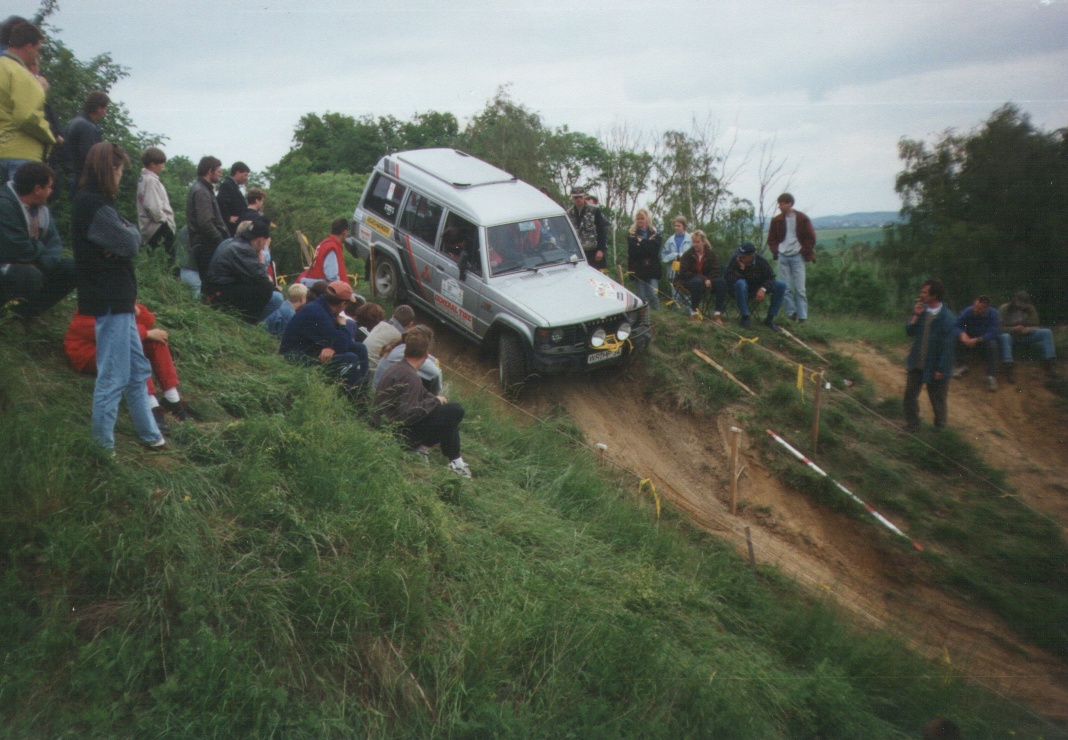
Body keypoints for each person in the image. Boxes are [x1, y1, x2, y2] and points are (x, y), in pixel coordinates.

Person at [72, 142, 165, 452]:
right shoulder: (92, 204)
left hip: (118, 299)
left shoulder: (100, 203)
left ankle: (151, 436)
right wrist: (124, 239)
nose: (122, 176)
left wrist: (126, 237)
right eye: (121, 170)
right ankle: (102, 450)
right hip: (109, 299)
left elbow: (129, 238)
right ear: (109, 169)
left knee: (138, 370)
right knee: (113, 377)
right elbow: (129, 243)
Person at [64, 302, 191, 431]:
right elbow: (107, 332)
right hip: (89, 354)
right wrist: (146, 334)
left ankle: (172, 398)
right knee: (129, 352)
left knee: (156, 342)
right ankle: (150, 406)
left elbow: (149, 320)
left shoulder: (121, 295)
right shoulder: (91, 304)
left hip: (116, 345)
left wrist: (136, 311)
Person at [374, 330, 471, 478]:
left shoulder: (398, 368)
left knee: (445, 410)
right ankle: (424, 450)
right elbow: (408, 414)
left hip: (384, 424)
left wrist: (434, 399)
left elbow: (418, 396)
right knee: (455, 410)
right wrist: (434, 402)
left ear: (405, 350)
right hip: (397, 435)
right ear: (426, 355)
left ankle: (455, 460)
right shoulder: (411, 377)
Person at [0, 161, 76, 318]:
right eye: (49, 186)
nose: (51, 191)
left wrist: (41, 262)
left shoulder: (42, 210)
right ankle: (10, 316)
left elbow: (54, 243)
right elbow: (16, 248)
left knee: (73, 268)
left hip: (32, 264)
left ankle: (28, 314)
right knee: (29, 275)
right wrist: (40, 249)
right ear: (37, 189)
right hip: (5, 267)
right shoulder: (4, 206)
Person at [279, 280, 368, 399]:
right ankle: (357, 402)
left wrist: (331, 347)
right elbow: (342, 344)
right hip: (296, 359)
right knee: (350, 358)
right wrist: (342, 325)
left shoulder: (321, 308)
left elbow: (336, 340)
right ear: (342, 304)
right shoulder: (317, 313)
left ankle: (362, 392)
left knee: (359, 348)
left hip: (309, 350)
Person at [0, 21, 55, 183]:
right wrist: (49, 136)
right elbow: (27, 116)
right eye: (37, 50)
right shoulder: (21, 74)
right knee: (24, 207)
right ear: (29, 46)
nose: (36, 56)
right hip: (23, 154)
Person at [204, 219, 285, 324]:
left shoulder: (236, 242)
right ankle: (248, 323)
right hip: (218, 294)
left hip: (218, 289)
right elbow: (262, 278)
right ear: (261, 240)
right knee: (266, 288)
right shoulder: (244, 249)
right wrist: (261, 261)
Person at [903, 279, 956, 433]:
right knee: (909, 396)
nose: (921, 295)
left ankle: (940, 431)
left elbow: (948, 347)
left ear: (934, 295)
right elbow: (909, 331)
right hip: (917, 363)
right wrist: (915, 315)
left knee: (938, 400)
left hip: (935, 367)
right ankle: (913, 425)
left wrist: (942, 369)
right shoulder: (922, 312)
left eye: (924, 292)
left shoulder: (947, 318)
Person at [766, 192, 816, 323]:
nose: (779, 207)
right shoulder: (776, 220)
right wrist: (776, 250)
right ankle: (791, 314)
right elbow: (771, 239)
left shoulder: (802, 218)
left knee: (800, 288)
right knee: (785, 287)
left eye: (782, 204)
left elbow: (811, 238)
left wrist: (803, 250)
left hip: (797, 256)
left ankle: (802, 317)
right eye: (779, 204)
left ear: (789, 204)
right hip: (783, 256)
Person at [723, 242, 787, 331]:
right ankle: (745, 317)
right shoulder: (735, 260)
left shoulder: (761, 261)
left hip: (756, 288)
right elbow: (727, 278)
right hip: (739, 290)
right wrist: (741, 270)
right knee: (741, 283)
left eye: (743, 256)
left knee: (781, 285)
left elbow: (771, 278)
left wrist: (763, 289)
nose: (740, 257)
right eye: (739, 254)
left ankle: (770, 319)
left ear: (751, 256)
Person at [999, 290, 1058, 381]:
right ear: (1015, 300)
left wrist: (1028, 330)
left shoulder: (1030, 309)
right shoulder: (1004, 308)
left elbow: (1036, 325)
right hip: (1011, 336)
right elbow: (999, 328)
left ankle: (1049, 364)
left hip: (1026, 335)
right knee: (1005, 337)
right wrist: (1013, 329)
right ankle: (1008, 366)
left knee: (1046, 332)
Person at [186, 155, 228, 279]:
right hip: (207, 245)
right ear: (210, 171)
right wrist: (221, 242)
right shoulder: (202, 191)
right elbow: (205, 223)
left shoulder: (204, 189)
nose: (220, 175)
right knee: (210, 284)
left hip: (207, 243)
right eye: (219, 171)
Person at [62, 90, 109, 198]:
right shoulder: (88, 127)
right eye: (105, 108)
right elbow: (90, 156)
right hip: (83, 179)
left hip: (70, 175)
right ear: (99, 108)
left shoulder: (73, 122)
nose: (105, 112)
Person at [372, 324, 443, 395]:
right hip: (379, 397)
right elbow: (436, 374)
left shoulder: (397, 347)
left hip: (377, 391)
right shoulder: (408, 352)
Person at [675, 229, 727, 323]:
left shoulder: (711, 254)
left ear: (703, 242)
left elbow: (716, 270)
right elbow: (684, 272)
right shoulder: (687, 255)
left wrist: (709, 280)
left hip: (707, 282)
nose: (695, 244)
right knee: (697, 282)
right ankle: (694, 313)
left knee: (721, 282)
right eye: (693, 242)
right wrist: (704, 279)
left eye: (697, 242)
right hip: (689, 281)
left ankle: (717, 314)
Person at [952, 295, 1001, 391]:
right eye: (975, 305)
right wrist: (962, 333)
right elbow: (956, 325)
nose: (975, 309)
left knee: (993, 345)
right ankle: (961, 365)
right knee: (955, 337)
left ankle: (992, 376)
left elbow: (994, 332)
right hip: (969, 338)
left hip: (983, 341)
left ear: (986, 308)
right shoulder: (969, 311)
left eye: (978, 308)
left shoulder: (994, 314)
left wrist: (978, 339)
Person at [136, 146, 176, 256]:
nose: (163, 166)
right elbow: (151, 205)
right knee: (170, 265)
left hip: (151, 228)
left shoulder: (144, 179)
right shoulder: (151, 181)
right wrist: (164, 220)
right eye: (161, 163)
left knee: (156, 262)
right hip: (158, 228)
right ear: (153, 164)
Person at [626, 208, 662, 310]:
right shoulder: (632, 234)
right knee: (641, 296)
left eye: (642, 218)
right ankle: (643, 316)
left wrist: (642, 244)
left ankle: (657, 314)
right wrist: (647, 246)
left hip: (652, 267)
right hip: (638, 268)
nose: (640, 221)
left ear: (647, 219)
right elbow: (634, 252)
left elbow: (654, 250)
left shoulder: (655, 233)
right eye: (638, 219)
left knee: (653, 294)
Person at [365, 304, 415, 374]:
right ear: (410, 324)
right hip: (374, 373)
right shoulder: (399, 338)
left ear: (393, 316)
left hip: (362, 365)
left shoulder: (381, 324)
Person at [298, 217, 349, 286]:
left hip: (318, 285)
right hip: (327, 289)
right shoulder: (331, 247)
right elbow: (332, 277)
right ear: (344, 232)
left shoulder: (324, 244)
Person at [567, 186, 607, 269]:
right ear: (572, 198)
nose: (578, 199)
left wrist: (601, 250)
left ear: (584, 196)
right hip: (578, 252)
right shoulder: (569, 213)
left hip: (593, 250)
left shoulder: (594, 210)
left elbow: (601, 230)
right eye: (576, 197)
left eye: (580, 197)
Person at [216, 161, 249, 235]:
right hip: (230, 228)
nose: (246, 178)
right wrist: (227, 218)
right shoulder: (227, 185)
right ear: (237, 173)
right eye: (245, 175)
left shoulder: (234, 186)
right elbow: (221, 203)